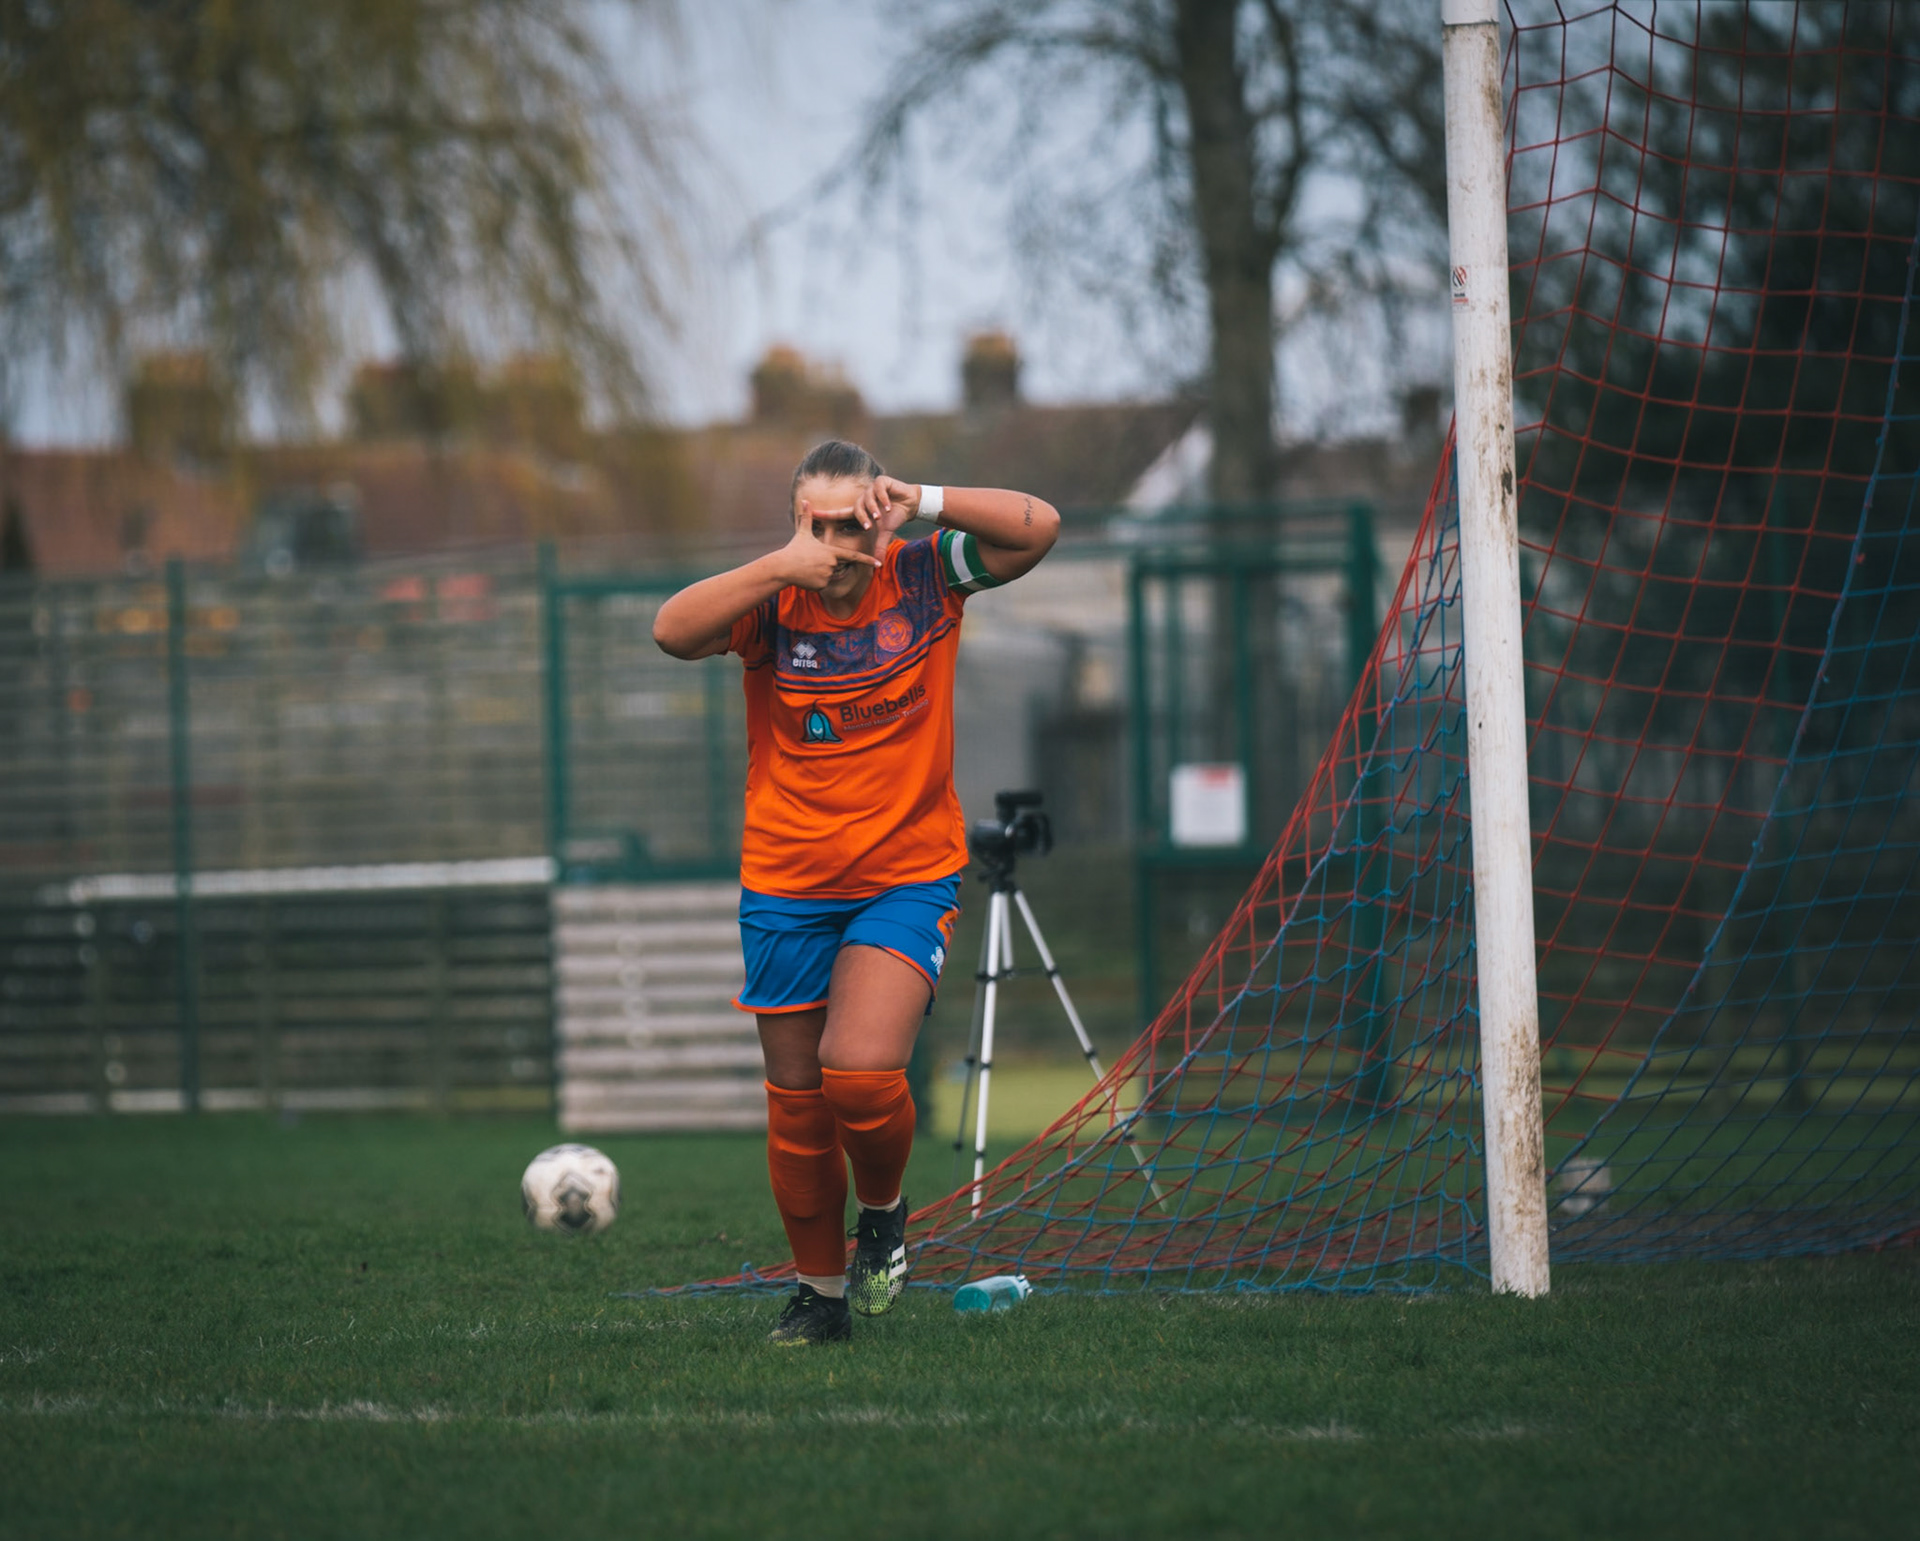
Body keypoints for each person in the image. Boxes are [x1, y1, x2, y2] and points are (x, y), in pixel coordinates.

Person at [652, 439, 1060, 1344]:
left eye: (851, 522)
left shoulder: (924, 577)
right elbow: (671, 631)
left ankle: (883, 1212)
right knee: (797, 1100)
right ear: (796, 521)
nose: (835, 541)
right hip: (787, 882)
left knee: (861, 1074)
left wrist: (928, 496)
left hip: (905, 874)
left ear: (878, 519)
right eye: (816, 523)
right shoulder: (772, 600)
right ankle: (820, 1297)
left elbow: (1040, 528)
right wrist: (776, 564)